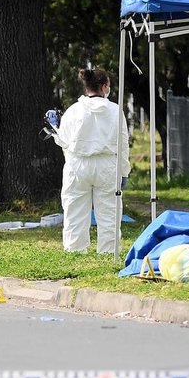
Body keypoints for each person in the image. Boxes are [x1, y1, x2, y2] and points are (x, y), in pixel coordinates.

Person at [48, 68, 131, 253]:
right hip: (107, 165)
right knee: (109, 211)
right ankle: (109, 251)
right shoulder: (115, 111)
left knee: (75, 209)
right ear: (103, 87)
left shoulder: (74, 110)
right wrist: (124, 171)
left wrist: (55, 127)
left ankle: (74, 249)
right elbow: (123, 144)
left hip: (78, 164)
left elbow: (64, 140)